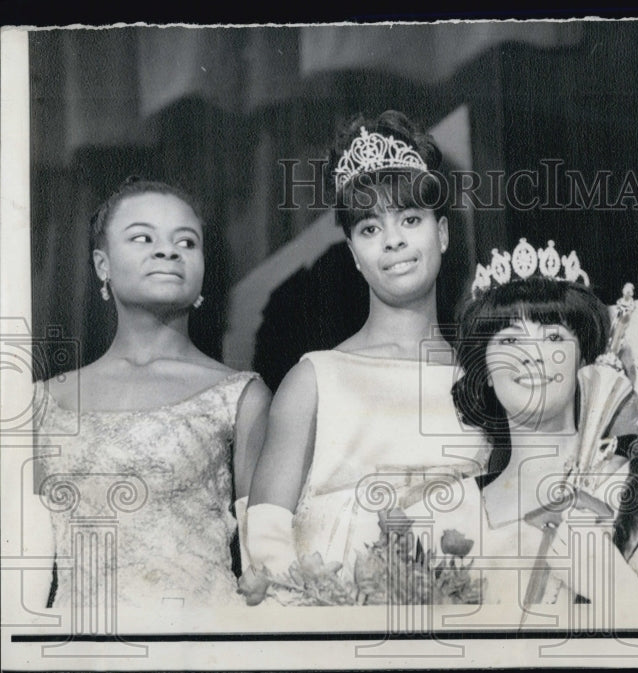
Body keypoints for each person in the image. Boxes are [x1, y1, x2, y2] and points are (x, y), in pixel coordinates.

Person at [245, 111, 487, 599]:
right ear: (355, 254)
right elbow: (267, 545)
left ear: (441, 234)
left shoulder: (483, 377)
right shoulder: (313, 379)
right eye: (370, 229)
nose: (393, 239)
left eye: (411, 219)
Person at [407, 243, 638, 610]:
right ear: (486, 372)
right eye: (508, 339)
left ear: (585, 361)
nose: (531, 354)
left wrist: (610, 584)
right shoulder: (443, 511)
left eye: (554, 336)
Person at [32, 178, 271, 609]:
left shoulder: (239, 396)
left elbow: (265, 566)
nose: (168, 251)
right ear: (102, 264)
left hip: (199, 642)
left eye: (187, 241)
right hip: (78, 650)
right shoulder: (42, 401)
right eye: (143, 237)